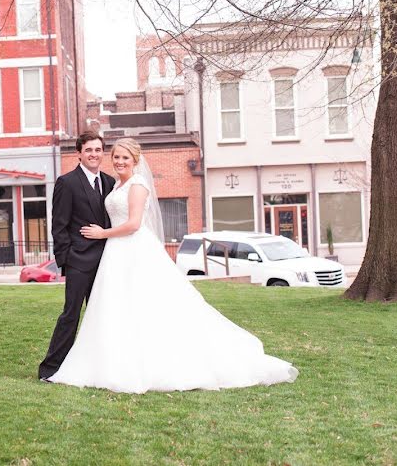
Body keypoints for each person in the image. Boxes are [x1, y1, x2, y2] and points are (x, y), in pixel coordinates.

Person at [48, 138, 298, 393]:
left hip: (131, 249)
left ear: (135, 160)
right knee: (108, 308)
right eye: (116, 157)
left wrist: (102, 234)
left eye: (124, 157)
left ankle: (145, 362)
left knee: (142, 307)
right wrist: (68, 258)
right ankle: (86, 363)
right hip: (110, 254)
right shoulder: (110, 185)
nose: (119, 161)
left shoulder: (135, 184)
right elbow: (63, 222)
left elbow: (134, 224)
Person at [38, 131, 116, 381]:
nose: (94, 154)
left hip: (105, 261)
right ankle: (51, 368)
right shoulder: (67, 182)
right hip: (79, 262)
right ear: (79, 153)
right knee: (71, 314)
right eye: (89, 150)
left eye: (98, 150)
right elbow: (59, 225)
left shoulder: (110, 182)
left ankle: (99, 367)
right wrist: (66, 260)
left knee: (102, 315)